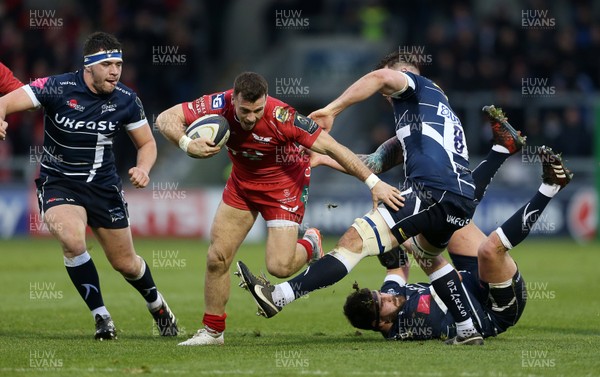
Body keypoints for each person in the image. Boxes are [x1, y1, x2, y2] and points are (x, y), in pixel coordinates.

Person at [236, 52, 529, 345]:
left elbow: (379, 78)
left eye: (387, 91)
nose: (385, 96)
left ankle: (280, 295)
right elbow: (375, 163)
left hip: (431, 191)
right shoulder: (428, 115)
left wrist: (332, 110)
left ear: (402, 74)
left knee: (353, 241)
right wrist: (323, 158)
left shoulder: (415, 86)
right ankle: (467, 329)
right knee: (428, 258)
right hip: (457, 199)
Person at [155, 71, 402, 346]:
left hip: (284, 187)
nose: (250, 117)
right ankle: (213, 331)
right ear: (233, 99)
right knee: (217, 257)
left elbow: (333, 148)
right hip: (242, 184)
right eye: (245, 110)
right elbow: (165, 118)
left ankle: (311, 244)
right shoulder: (217, 104)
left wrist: (373, 183)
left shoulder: (283, 117)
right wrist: (187, 143)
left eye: (257, 110)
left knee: (279, 267)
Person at [0, 32, 177, 340]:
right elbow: (4, 101)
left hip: (104, 187)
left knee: (126, 264)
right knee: (72, 240)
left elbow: (147, 143)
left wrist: (143, 168)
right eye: (107, 63)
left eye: (119, 64)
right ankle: (102, 317)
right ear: (89, 66)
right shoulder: (56, 87)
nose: (115, 71)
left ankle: (157, 304)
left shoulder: (126, 99)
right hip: (58, 182)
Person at [343, 145, 573, 341]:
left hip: (473, 281)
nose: (385, 296)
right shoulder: (417, 319)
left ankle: (502, 148)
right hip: (495, 308)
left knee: (452, 217)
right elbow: (452, 279)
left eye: (378, 294)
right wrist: (411, 243)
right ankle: (551, 187)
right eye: (380, 302)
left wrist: (387, 239)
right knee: (490, 250)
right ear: (380, 323)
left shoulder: (391, 299)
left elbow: (396, 268)